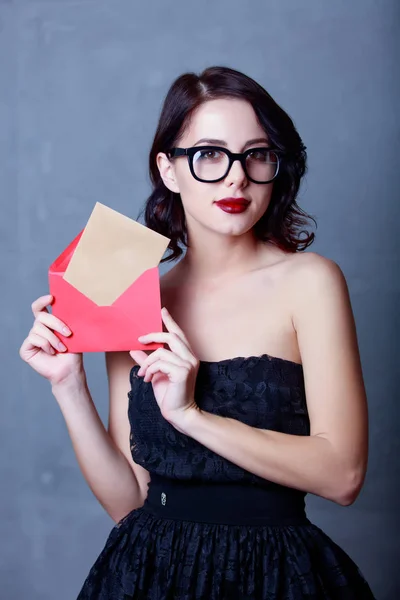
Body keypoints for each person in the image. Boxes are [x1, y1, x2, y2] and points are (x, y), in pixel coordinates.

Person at [19, 66, 376, 599]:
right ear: (168, 168)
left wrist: (191, 417)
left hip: (276, 573)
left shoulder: (310, 282)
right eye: (209, 154)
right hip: (147, 574)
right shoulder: (132, 293)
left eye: (256, 154)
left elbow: (343, 476)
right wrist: (68, 383)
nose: (236, 177)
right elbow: (129, 501)